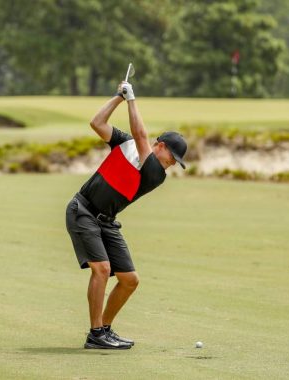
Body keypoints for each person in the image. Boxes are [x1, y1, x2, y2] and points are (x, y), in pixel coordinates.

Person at [65, 81, 187, 349]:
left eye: (176, 161)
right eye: (172, 156)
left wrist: (132, 98)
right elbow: (97, 123)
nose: (171, 163)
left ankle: (104, 329)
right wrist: (118, 98)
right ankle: (96, 334)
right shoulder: (126, 143)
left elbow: (141, 137)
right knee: (102, 269)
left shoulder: (155, 174)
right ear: (162, 145)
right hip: (82, 210)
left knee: (129, 280)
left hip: (106, 222)